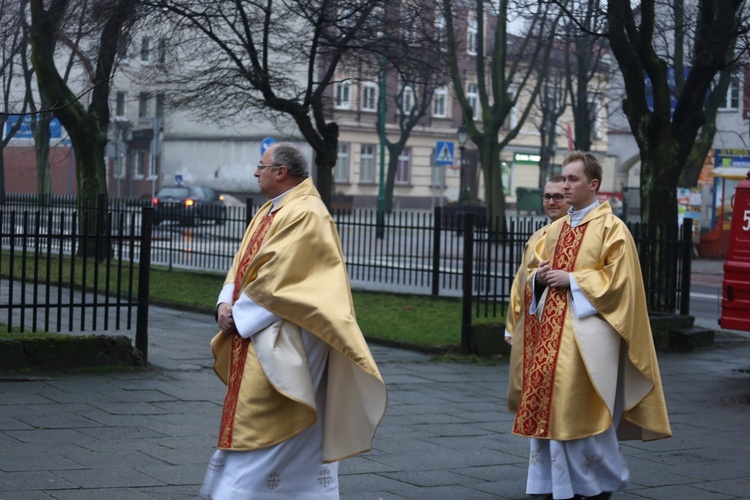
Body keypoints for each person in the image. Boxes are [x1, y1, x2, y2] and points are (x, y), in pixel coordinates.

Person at [201, 142, 387, 499]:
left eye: (261, 166)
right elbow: (243, 262)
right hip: (265, 323)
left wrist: (239, 314)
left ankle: (238, 491)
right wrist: (225, 301)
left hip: (293, 330)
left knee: (267, 410)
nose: (256, 172)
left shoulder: (306, 212)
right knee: (284, 414)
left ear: (280, 172)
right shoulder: (273, 209)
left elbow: (285, 277)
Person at [512, 151, 671, 500]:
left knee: (582, 413)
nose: (565, 185)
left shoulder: (612, 229)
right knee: (551, 412)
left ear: (593, 184)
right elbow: (528, 274)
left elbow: (622, 282)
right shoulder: (553, 230)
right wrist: (537, 278)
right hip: (549, 340)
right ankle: (555, 485)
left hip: (587, 340)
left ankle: (599, 485)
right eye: (564, 178)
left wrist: (575, 280)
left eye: (573, 179)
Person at [506, 176, 569, 411]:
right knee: (530, 392)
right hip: (532, 324)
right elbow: (521, 279)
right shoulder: (538, 235)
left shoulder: (576, 234)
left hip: (561, 327)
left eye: (558, 197)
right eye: (547, 196)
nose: (551, 202)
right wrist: (512, 323)